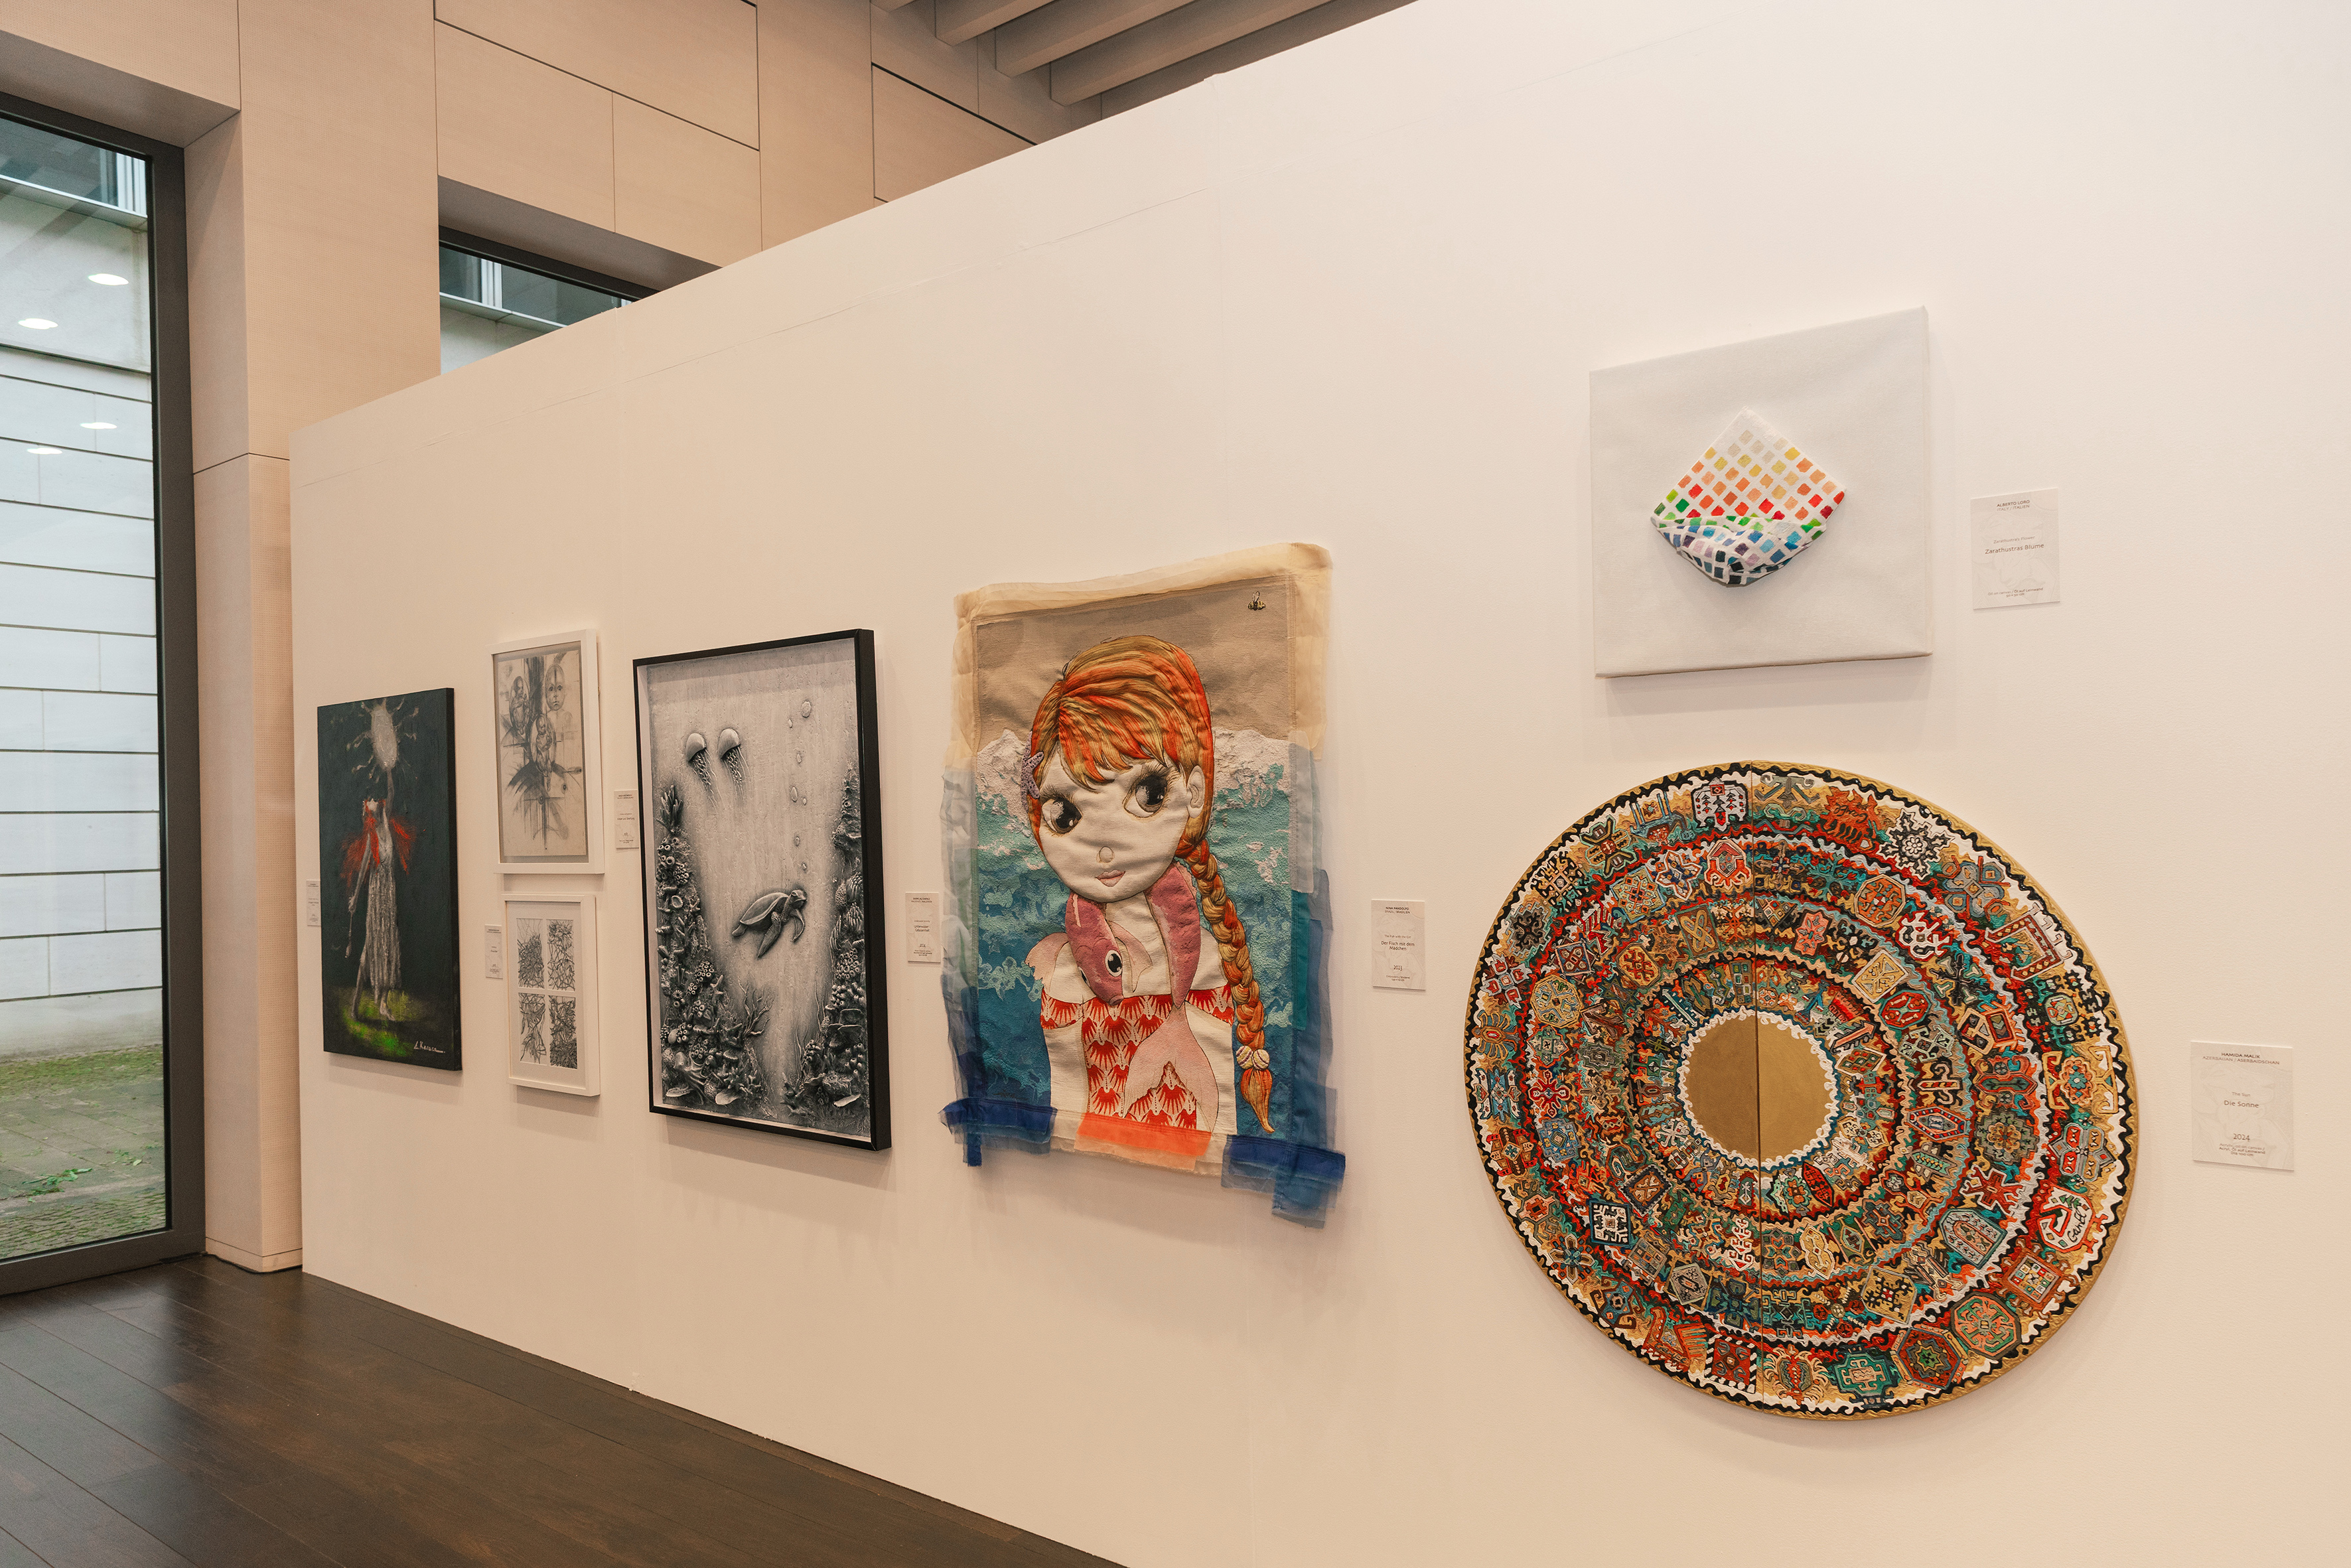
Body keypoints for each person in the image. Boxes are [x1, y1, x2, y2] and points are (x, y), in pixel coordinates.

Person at [1019, 635, 1274, 1167]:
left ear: (1194, 793)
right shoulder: (1069, 959)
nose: (1104, 845)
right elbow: (1067, 1091)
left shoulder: (1204, 960)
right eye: (1065, 814)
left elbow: (1211, 1110)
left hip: (1166, 1155)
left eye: (1147, 794)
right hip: (1089, 1156)